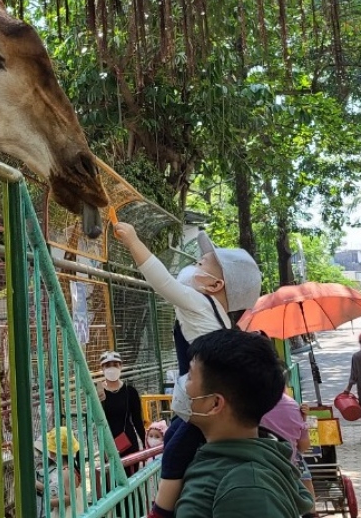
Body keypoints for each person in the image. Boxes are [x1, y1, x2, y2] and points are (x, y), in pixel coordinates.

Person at [112, 222, 262, 518]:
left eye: (199, 263)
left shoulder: (200, 304)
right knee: (175, 437)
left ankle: (161, 510)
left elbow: (163, 282)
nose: (193, 266)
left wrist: (133, 241)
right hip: (202, 408)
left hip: (200, 409)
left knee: (177, 448)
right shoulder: (219, 318)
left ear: (215, 285)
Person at [174, 329, 315, 518]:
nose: (182, 384)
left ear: (215, 403)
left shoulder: (248, 487)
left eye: (190, 376)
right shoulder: (219, 460)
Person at [260, 393, 316, 502]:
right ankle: (311, 512)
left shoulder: (249, 406)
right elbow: (303, 445)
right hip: (290, 462)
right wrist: (303, 420)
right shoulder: (293, 406)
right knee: (305, 478)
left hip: (263, 459)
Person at [97, 350, 147, 466]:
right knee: (112, 480)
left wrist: (145, 445)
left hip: (128, 441)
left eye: (115, 364)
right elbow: (93, 421)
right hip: (108, 443)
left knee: (132, 478)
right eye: (108, 365)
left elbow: (137, 420)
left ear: (121, 366)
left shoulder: (130, 391)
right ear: (102, 368)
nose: (112, 368)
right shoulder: (98, 393)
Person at [34, 426, 86, 518]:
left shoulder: (66, 472)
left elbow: (71, 499)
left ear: (53, 452)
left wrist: (49, 502)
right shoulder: (68, 468)